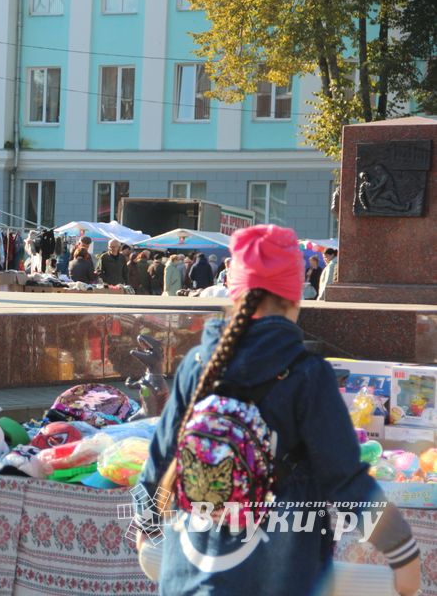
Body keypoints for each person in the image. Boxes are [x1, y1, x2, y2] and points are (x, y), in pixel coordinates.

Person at [136, 224, 420, 596]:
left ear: (233, 292)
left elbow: (159, 461)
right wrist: (403, 554)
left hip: (186, 575)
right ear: (295, 297)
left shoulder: (197, 363)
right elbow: (347, 483)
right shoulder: (307, 376)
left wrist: (145, 527)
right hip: (274, 577)